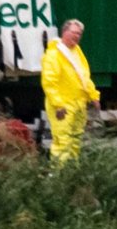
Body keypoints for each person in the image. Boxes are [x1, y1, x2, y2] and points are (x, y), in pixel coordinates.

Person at [40, 19, 98, 162]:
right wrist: (58, 104)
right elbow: (49, 82)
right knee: (63, 142)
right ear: (64, 32)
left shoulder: (76, 52)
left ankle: (71, 174)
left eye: (79, 34)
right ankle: (61, 176)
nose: (77, 36)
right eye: (74, 32)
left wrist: (93, 95)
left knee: (75, 143)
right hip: (63, 105)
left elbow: (84, 77)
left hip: (78, 104)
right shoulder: (54, 55)